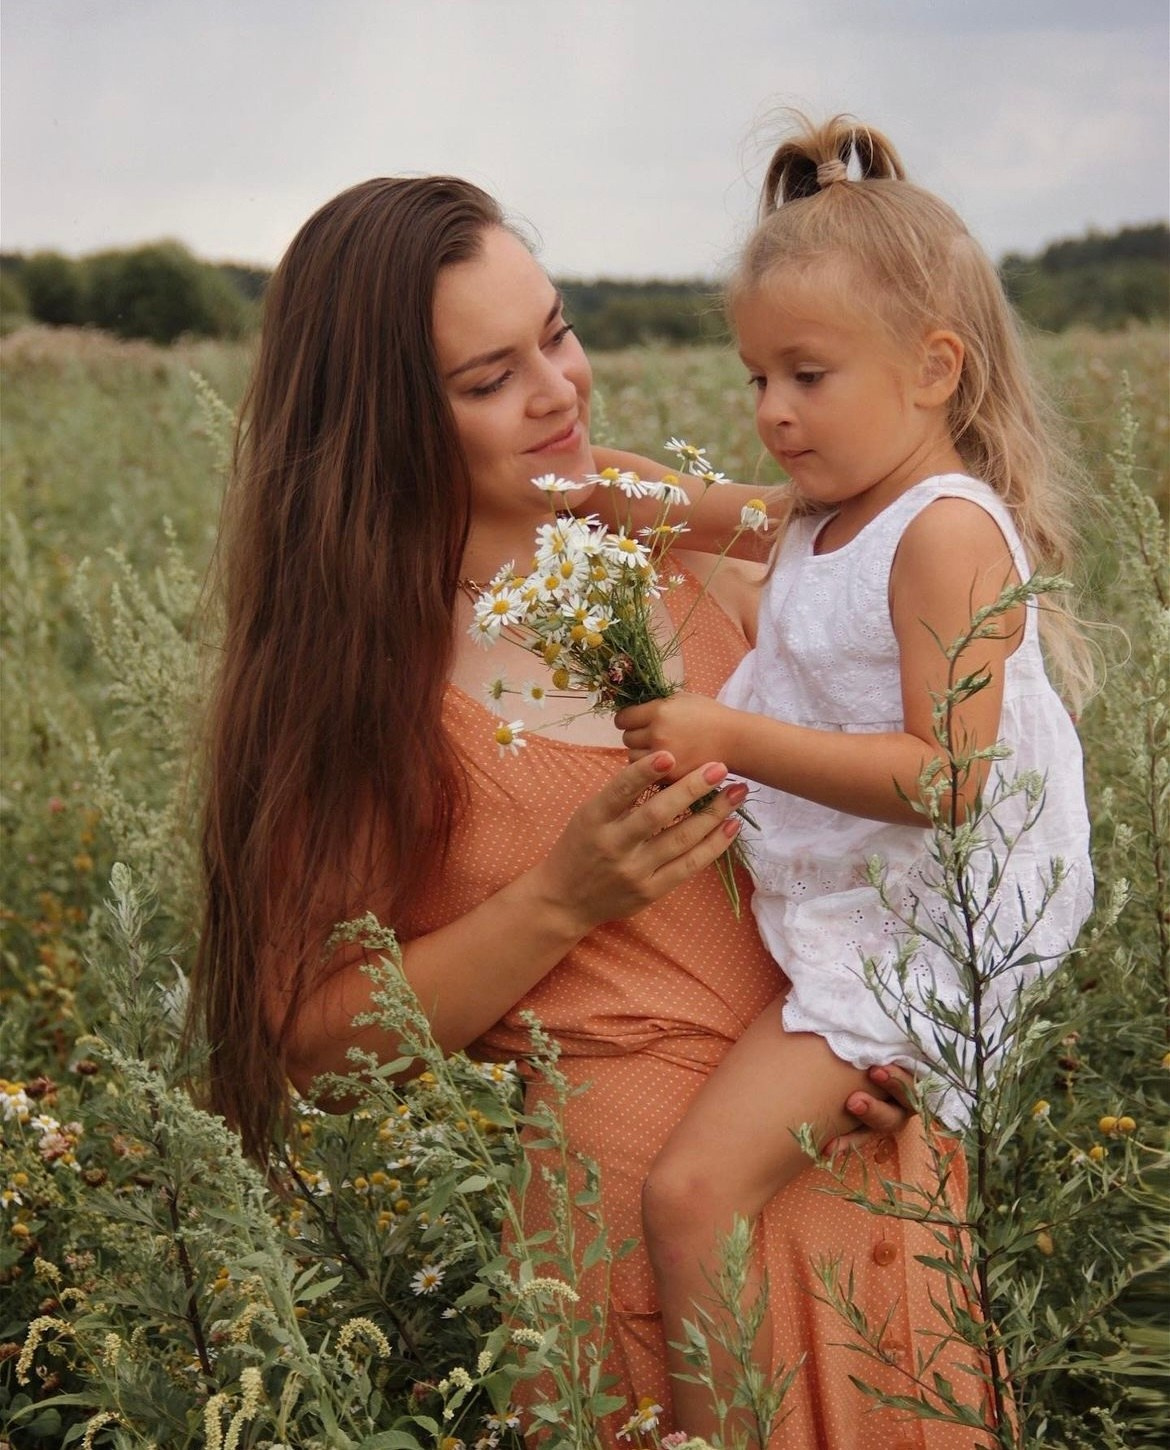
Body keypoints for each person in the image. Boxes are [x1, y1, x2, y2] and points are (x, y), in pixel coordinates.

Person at [192, 171, 985, 1449]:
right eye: (487, 378)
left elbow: (934, 776)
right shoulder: (359, 679)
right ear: (382, 419)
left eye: (555, 333)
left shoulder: (683, 545)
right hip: (637, 1250)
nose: (558, 390)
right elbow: (312, 1042)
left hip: (865, 1190)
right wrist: (562, 898)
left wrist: (907, 1041)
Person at [617, 115, 1095, 1441]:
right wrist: (553, 486)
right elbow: (670, 503)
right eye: (755, 373)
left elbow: (944, 778)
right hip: (859, 915)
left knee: (689, 1196)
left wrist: (724, 735)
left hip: (921, 944)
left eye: (806, 375)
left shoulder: (943, 534)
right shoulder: (821, 509)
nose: (768, 410)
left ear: (933, 366)